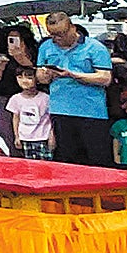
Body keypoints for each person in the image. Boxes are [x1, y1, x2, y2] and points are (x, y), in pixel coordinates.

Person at [35, 11, 114, 166]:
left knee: (96, 160)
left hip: (91, 111)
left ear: (72, 28)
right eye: (53, 35)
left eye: (61, 34)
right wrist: (47, 74)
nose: (57, 39)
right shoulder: (46, 47)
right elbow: (40, 76)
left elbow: (105, 78)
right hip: (60, 109)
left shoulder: (95, 47)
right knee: (67, 160)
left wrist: (72, 75)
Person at [7, 70, 53, 160]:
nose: (24, 81)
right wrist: (17, 136)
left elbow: (51, 118)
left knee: (46, 164)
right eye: (20, 77)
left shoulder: (46, 98)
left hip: (42, 137)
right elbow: (16, 118)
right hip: (25, 138)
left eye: (29, 78)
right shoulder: (15, 98)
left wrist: (51, 136)